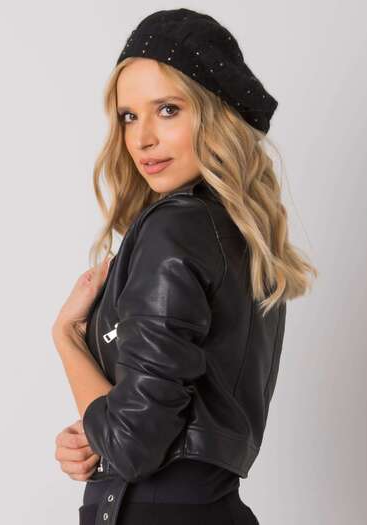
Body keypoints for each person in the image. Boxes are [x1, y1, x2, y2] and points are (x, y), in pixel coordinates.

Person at [52, 8, 318, 525]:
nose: (142, 138)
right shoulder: (242, 235)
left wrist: (66, 336)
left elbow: (131, 446)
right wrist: (94, 434)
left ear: (216, 115)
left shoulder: (174, 227)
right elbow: (150, 423)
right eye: (129, 116)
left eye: (168, 110)